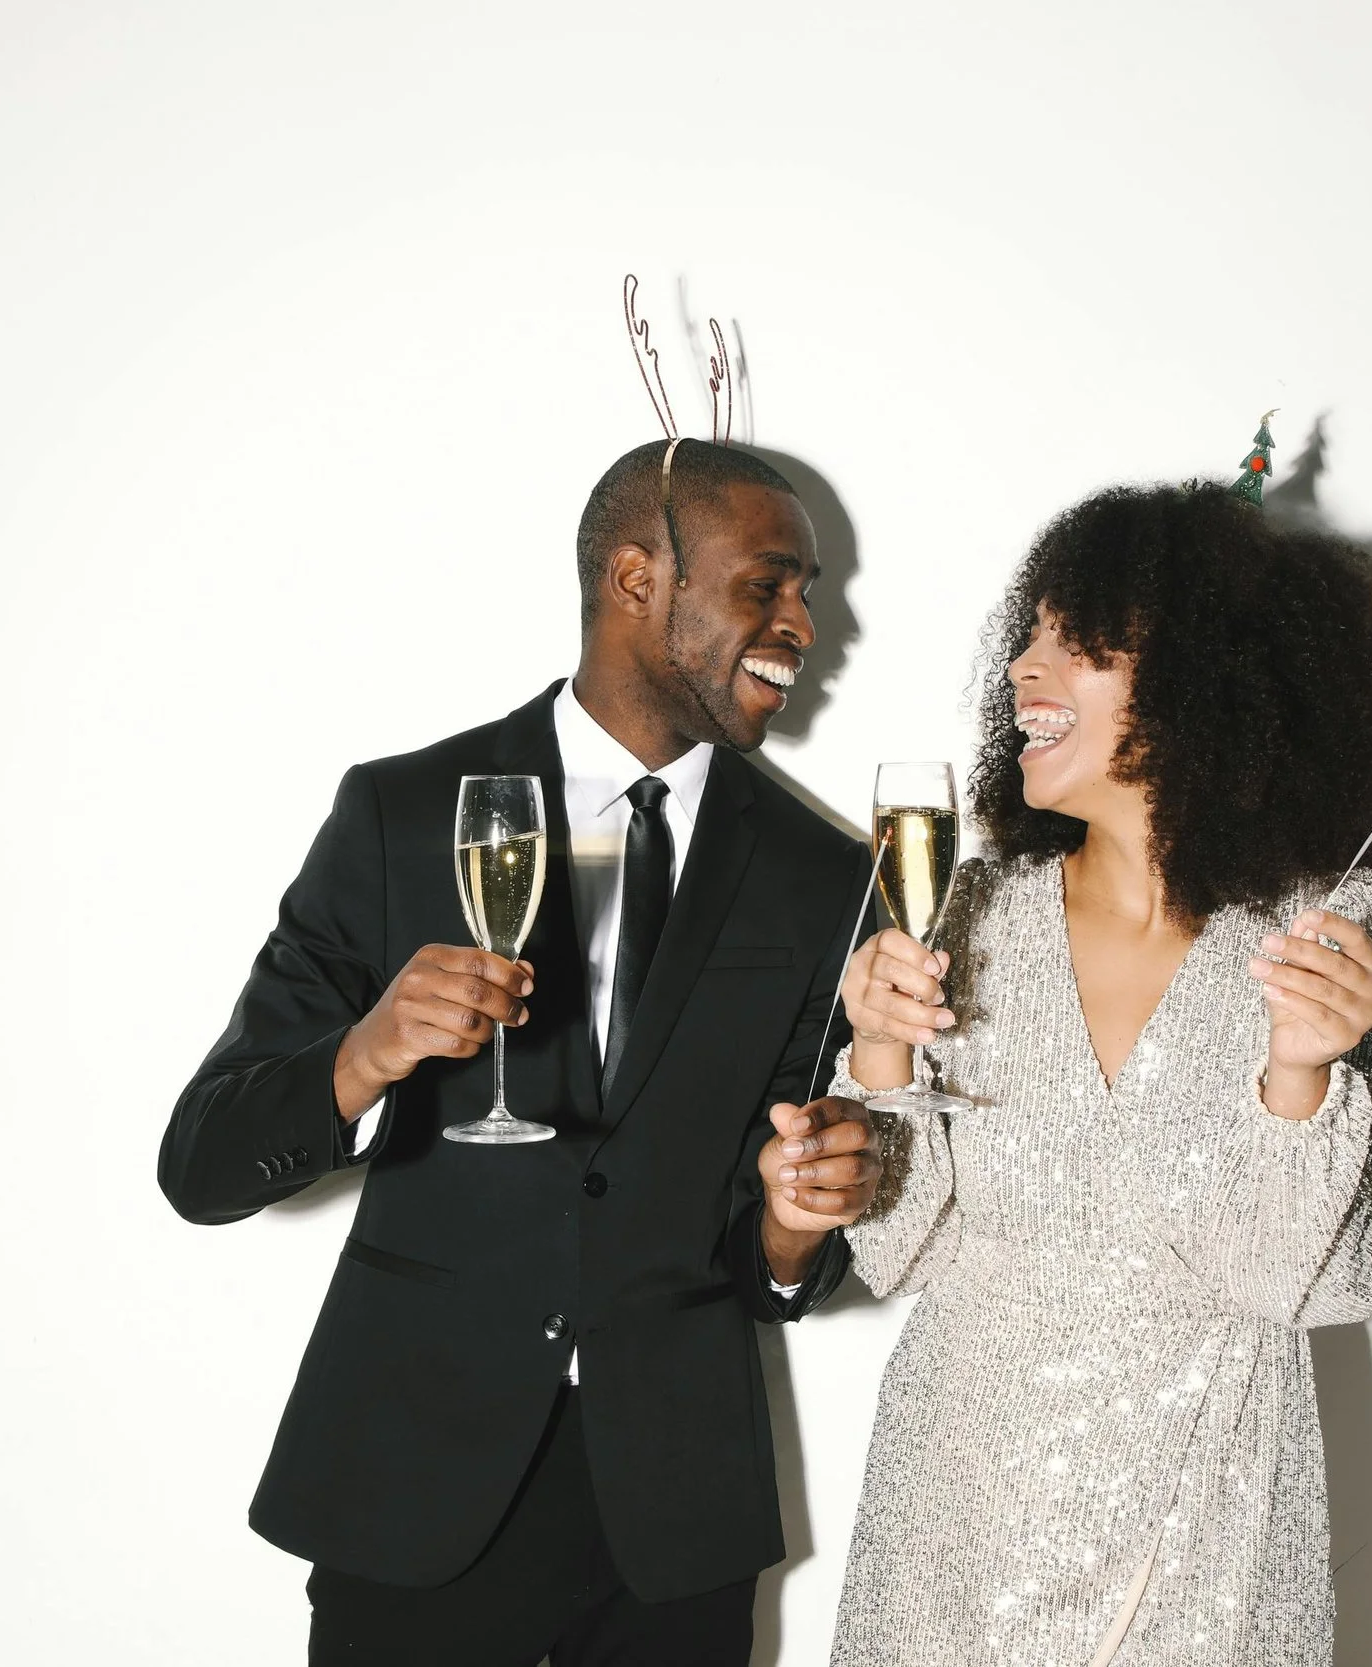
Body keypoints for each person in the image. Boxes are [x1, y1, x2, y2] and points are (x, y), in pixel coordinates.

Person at [158, 438, 881, 1666]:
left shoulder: (824, 877)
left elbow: (783, 1260)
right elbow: (203, 1163)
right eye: (768, 584)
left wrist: (794, 1221)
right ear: (637, 578)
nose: (805, 625)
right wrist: (364, 1053)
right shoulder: (399, 814)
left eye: (806, 592)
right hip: (410, 1490)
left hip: (675, 1522)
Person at [825, 480, 1372, 1665]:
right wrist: (879, 1047)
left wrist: (1300, 1074)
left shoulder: (1341, 935)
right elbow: (896, 1250)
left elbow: (1305, 1280)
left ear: (1204, 676)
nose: (1023, 667)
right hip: (951, 1534)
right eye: (1029, 633)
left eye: (1077, 638)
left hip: (1202, 1553)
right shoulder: (967, 909)